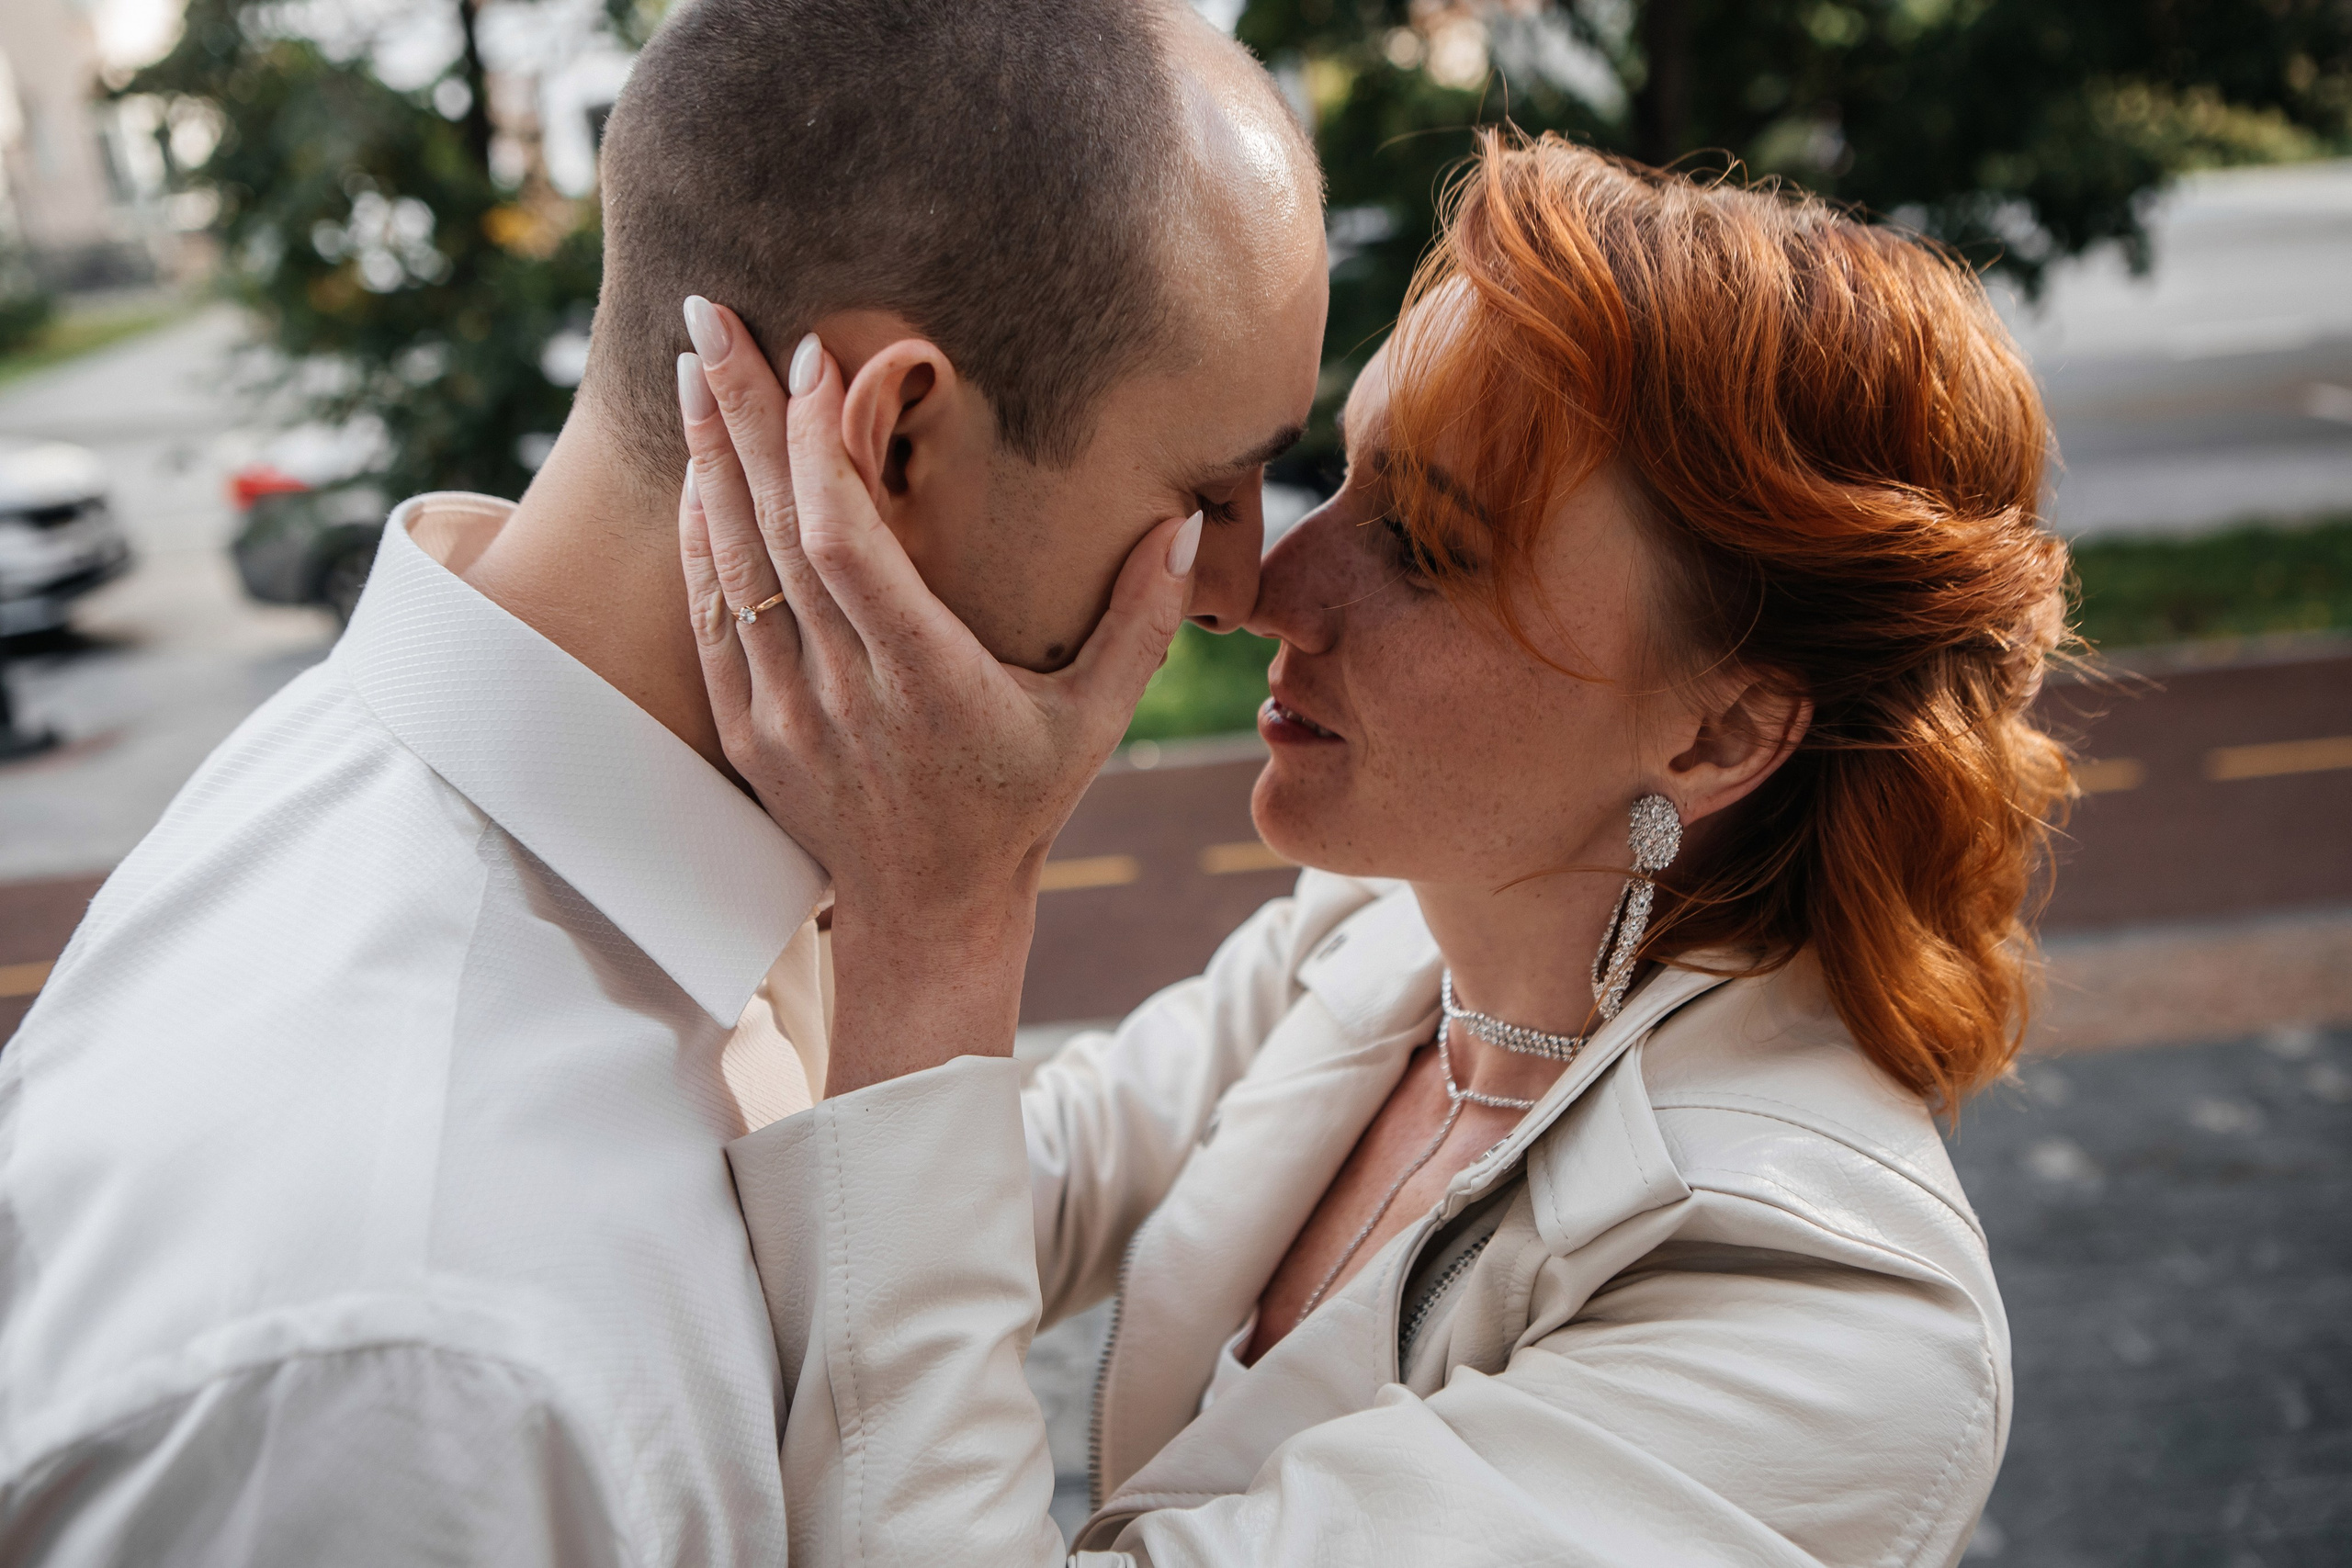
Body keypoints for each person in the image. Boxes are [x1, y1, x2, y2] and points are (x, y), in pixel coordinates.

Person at [0, 2, 1321, 1560]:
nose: (1240, 589)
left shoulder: (449, 800)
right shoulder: (424, 1370)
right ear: (894, 444)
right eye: (1211, 491)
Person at [699, 133, 2073, 1564]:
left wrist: (942, 913)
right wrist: (824, 709)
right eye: (1341, 478)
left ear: (1720, 733)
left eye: (1426, 546)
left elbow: (889, 1251)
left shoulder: (1816, 1317)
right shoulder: (1381, 940)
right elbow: (956, 1202)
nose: (1274, 586)